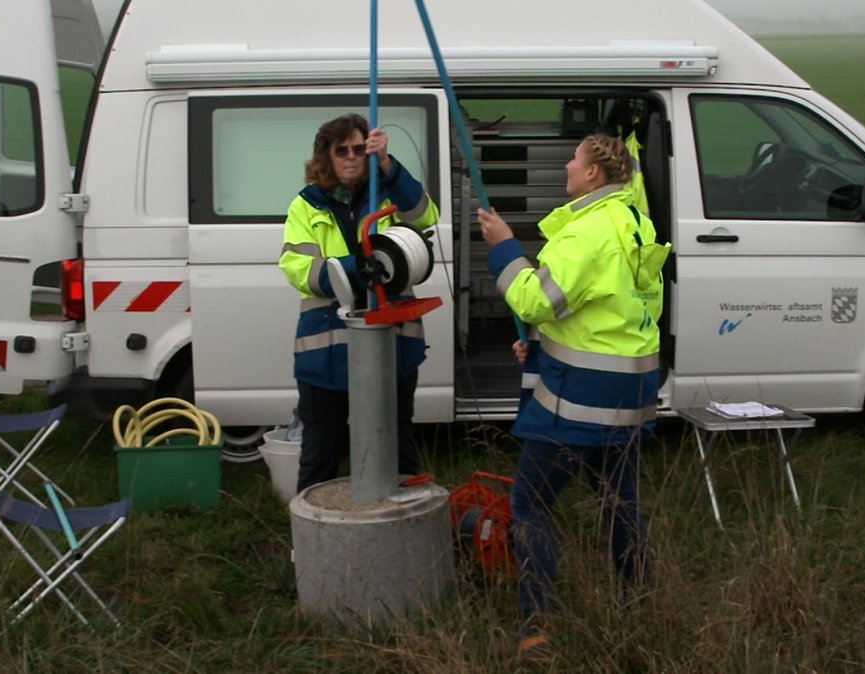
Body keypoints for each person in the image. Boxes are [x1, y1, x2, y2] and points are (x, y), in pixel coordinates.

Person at [477, 133, 670, 658]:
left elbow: (536, 299)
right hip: (630, 393)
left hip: (582, 400)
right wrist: (539, 350)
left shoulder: (586, 232)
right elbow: (610, 316)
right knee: (619, 504)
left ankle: (536, 630)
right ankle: (641, 605)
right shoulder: (632, 223)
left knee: (530, 503)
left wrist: (504, 248)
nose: (565, 164)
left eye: (574, 159)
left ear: (591, 175)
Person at [279, 114, 439, 493]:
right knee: (322, 452)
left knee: (397, 448)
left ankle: (402, 536)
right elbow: (299, 268)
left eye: (358, 149)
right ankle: (312, 545)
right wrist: (364, 267)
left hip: (393, 347)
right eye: (341, 150)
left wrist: (387, 164)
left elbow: (425, 214)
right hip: (327, 354)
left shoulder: (388, 193)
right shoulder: (305, 206)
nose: (351, 157)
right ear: (327, 156)